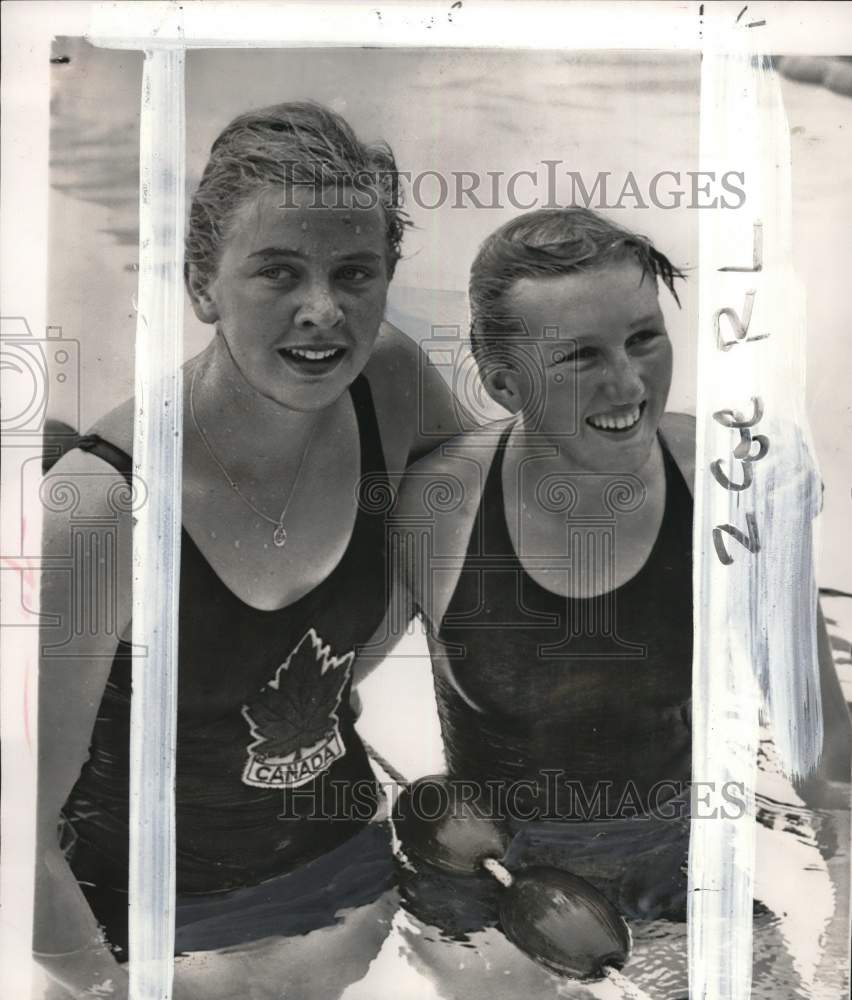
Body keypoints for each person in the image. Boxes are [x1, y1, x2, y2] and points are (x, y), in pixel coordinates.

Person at [34, 102, 465, 1000]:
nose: (324, 310)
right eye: (278, 271)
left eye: (356, 273)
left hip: (355, 888)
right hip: (143, 935)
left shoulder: (391, 384)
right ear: (201, 285)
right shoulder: (100, 504)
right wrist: (112, 989)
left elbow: (491, 553)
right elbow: (12, 839)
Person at [383, 207, 852, 989]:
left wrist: (842, 931)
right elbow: (315, 683)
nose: (628, 384)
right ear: (502, 381)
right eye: (579, 357)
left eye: (644, 338)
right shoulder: (438, 507)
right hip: (486, 898)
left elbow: (826, 752)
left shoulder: (738, 487)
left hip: (682, 884)